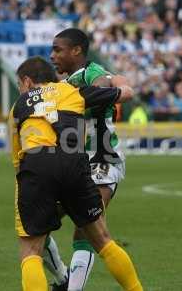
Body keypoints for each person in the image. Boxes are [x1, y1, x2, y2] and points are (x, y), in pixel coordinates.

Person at [9, 56, 143, 291]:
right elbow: (125, 93)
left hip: (37, 165)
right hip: (75, 164)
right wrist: (116, 80)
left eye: (20, 85)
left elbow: (17, 156)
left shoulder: (18, 106)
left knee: (30, 251)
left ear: (27, 82)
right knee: (102, 239)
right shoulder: (73, 91)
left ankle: (61, 278)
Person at [47, 28, 132, 290]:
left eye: (58, 50)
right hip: (74, 165)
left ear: (76, 51)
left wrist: (109, 89)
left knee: (86, 230)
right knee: (38, 222)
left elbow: (106, 83)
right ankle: (63, 278)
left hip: (102, 161)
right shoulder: (65, 83)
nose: (53, 56)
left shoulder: (89, 73)